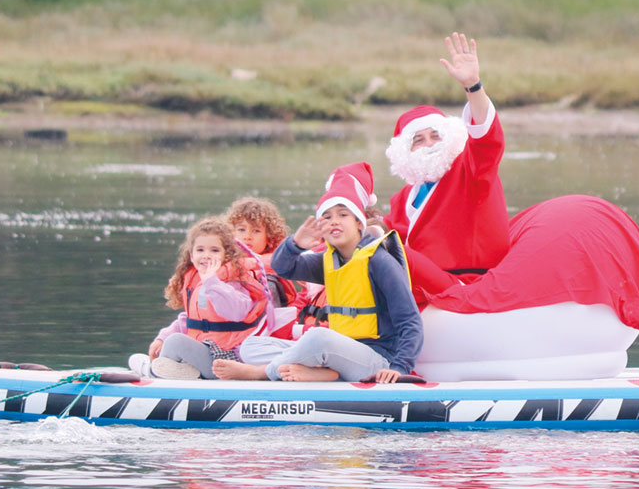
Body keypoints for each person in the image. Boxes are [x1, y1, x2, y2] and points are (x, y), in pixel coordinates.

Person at [212, 162, 423, 383]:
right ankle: (324, 374)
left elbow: (410, 322)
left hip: (377, 359)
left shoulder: (380, 262)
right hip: (335, 353)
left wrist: (399, 367)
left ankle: (264, 372)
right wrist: (295, 244)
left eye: (343, 215)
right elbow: (284, 266)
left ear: (359, 223)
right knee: (252, 346)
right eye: (328, 217)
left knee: (319, 338)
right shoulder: (329, 261)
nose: (335, 222)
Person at [383, 32, 509, 304]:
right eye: (418, 140)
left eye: (435, 135)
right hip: (421, 288)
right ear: (406, 153)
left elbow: (487, 142)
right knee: (373, 238)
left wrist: (473, 86)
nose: (429, 144)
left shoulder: (472, 172)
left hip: (467, 283)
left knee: (387, 250)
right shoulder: (403, 199)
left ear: (451, 137)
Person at [129, 217, 271, 380]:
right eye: (201, 250)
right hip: (206, 351)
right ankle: (175, 370)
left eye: (215, 250)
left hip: (227, 360)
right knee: (171, 340)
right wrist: (162, 337)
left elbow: (237, 312)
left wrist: (212, 282)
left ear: (227, 254)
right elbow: (190, 320)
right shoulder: (197, 279)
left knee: (176, 342)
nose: (207, 256)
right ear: (191, 254)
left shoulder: (232, 282)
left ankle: (154, 373)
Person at [224, 196, 297, 308]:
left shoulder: (272, 277)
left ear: (269, 237)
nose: (247, 236)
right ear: (231, 233)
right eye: (241, 229)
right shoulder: (218, 264)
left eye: (256, 231)